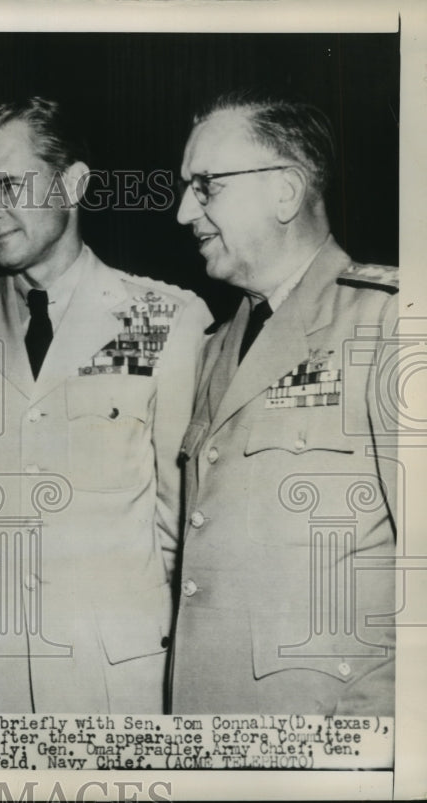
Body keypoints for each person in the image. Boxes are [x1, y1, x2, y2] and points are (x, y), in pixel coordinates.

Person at [0, 97, 212, 712]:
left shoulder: (159, 320)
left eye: (9, 184)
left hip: (114, 687)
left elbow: (178, 523)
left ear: (73, 184)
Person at [170, 90, 396, 714]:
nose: (185, 209)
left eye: (206, 184)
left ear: (286, 192)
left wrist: (369, 746)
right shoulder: (216, 347)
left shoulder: (389, 320)